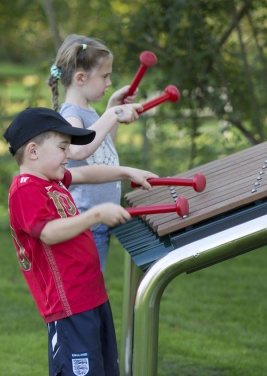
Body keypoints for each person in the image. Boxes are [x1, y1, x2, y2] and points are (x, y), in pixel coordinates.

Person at [3, 106, 157, 376]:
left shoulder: (53, 181)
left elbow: (87, 174)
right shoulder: (25, 189)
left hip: (91, 296)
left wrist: (127, 172)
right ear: (33, 151)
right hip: (68, 307)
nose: (68, 155)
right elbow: (48, 232)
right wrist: (96, 215)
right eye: (63, 148)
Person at [48, 33, 143, 272]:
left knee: (93, 286)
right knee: (87, 290)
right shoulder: (71, 114)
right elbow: (79, 149)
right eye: (105, 76)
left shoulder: (89, 110)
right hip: (86, 222)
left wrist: (112, 107)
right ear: (80, 78)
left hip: (99, 221)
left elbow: (102, 145)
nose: (109, 82)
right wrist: (112, 115)